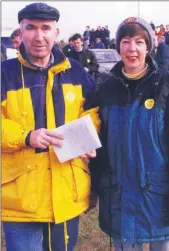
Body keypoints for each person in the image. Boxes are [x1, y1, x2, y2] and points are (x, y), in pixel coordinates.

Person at [1, 3, 100, 251]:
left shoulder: (75, 71)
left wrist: (89, 139)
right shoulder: (4, 74)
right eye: (31, 28)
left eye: (46, 28)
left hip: (66, 193)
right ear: (20, 33)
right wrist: (25, 137)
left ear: (56, 33)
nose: (39, 36)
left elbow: (93, 111)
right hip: (21, 198)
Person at [90, 17, 169, 251]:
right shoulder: (105, 87)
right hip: (119, 197)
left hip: (159, 196)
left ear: (149, 47)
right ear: (118, 46)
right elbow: (98, 144)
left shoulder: (165, 84)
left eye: (139, 42)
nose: (131, 49)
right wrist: (96, 185)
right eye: (125, 41)